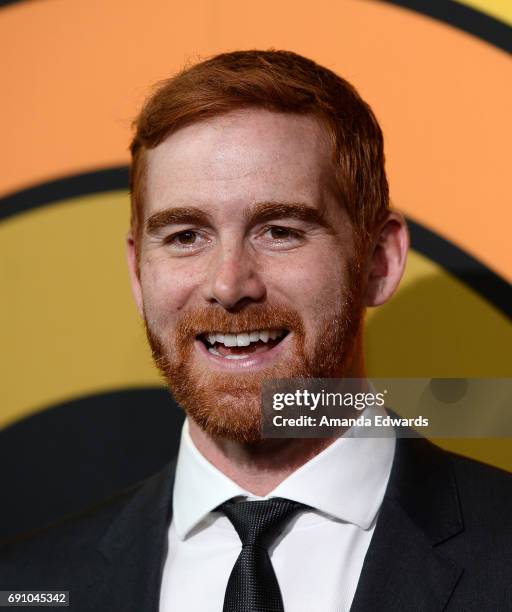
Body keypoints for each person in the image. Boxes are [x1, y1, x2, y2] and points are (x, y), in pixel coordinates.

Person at [1, 50, 511, 612]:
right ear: (137, 271)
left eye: (280, 230)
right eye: (185, 236)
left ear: (378, 262)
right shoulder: (31, 583)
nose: (228, 283)